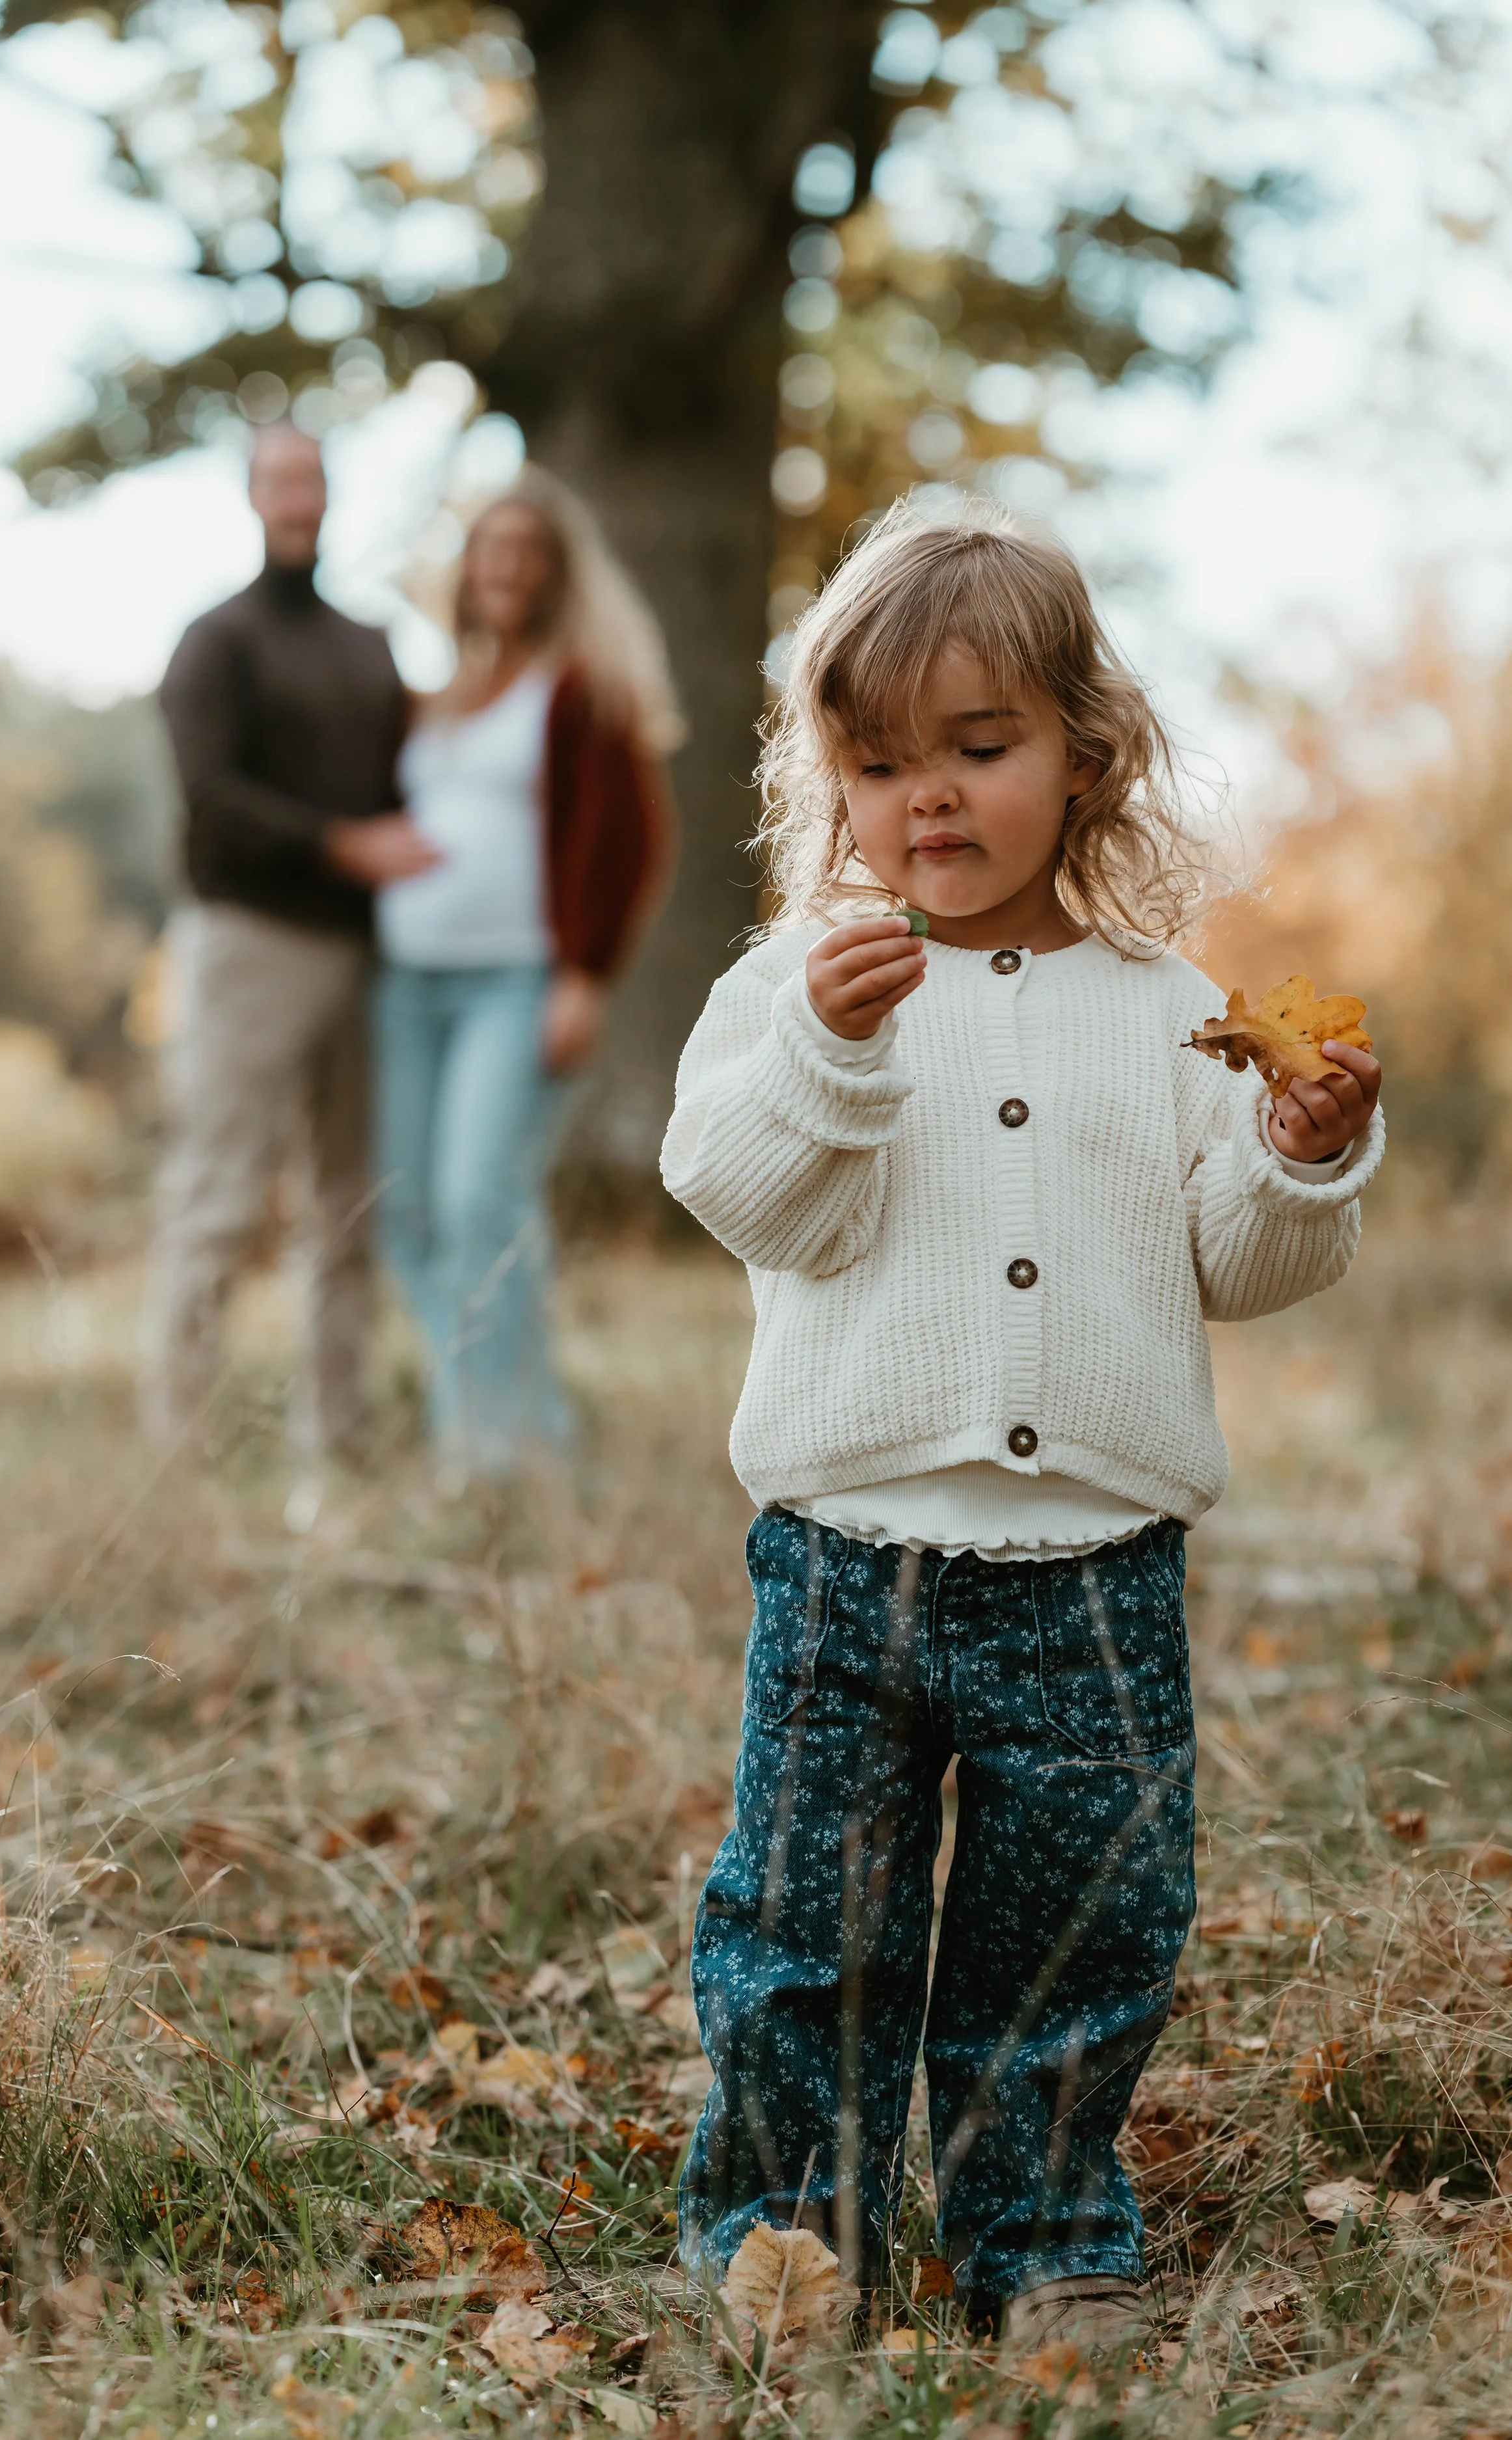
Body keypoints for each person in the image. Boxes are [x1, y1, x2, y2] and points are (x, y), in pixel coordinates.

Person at [660, 496, 1383, 2350]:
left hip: (1094, 1571)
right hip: (844, 1551)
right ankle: (785, 2242)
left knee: (1073, 1927)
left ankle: (1043, 2230)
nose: (927, 797)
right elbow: (748, 1195)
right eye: (878, 760)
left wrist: (1299, 1156)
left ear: (1084, 751)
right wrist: (829, 1054)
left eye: (978, 749)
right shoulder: (797, 985)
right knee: (808, 1927)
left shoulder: (1168, 1012)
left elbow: (1232, 1258)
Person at [373, 469, 679, 1483]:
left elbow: (634, 838)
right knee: (408, 1212)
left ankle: (518, 1444)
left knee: (480, 1201)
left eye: (525, 554)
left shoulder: (580, 687)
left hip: (516, 983)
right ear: (465, 572)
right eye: (487, 552)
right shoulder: (440, 695)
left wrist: (583, 974)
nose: (503, 569)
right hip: (408, 983)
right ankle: (478, 1421)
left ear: (553, 575)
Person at [148, 422, 433, 1460]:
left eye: (312, 479)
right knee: (221, 1191)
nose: (298, 497)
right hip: (251, 946)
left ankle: (339, 1432)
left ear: (330, 493)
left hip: (367, 957)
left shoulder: (369, 644)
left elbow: (415, 781)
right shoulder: (216, 640)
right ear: (253, 495)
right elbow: (209, 797)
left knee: (349, 1205)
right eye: (280, 480)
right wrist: (343, 845)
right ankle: (182, 1436)